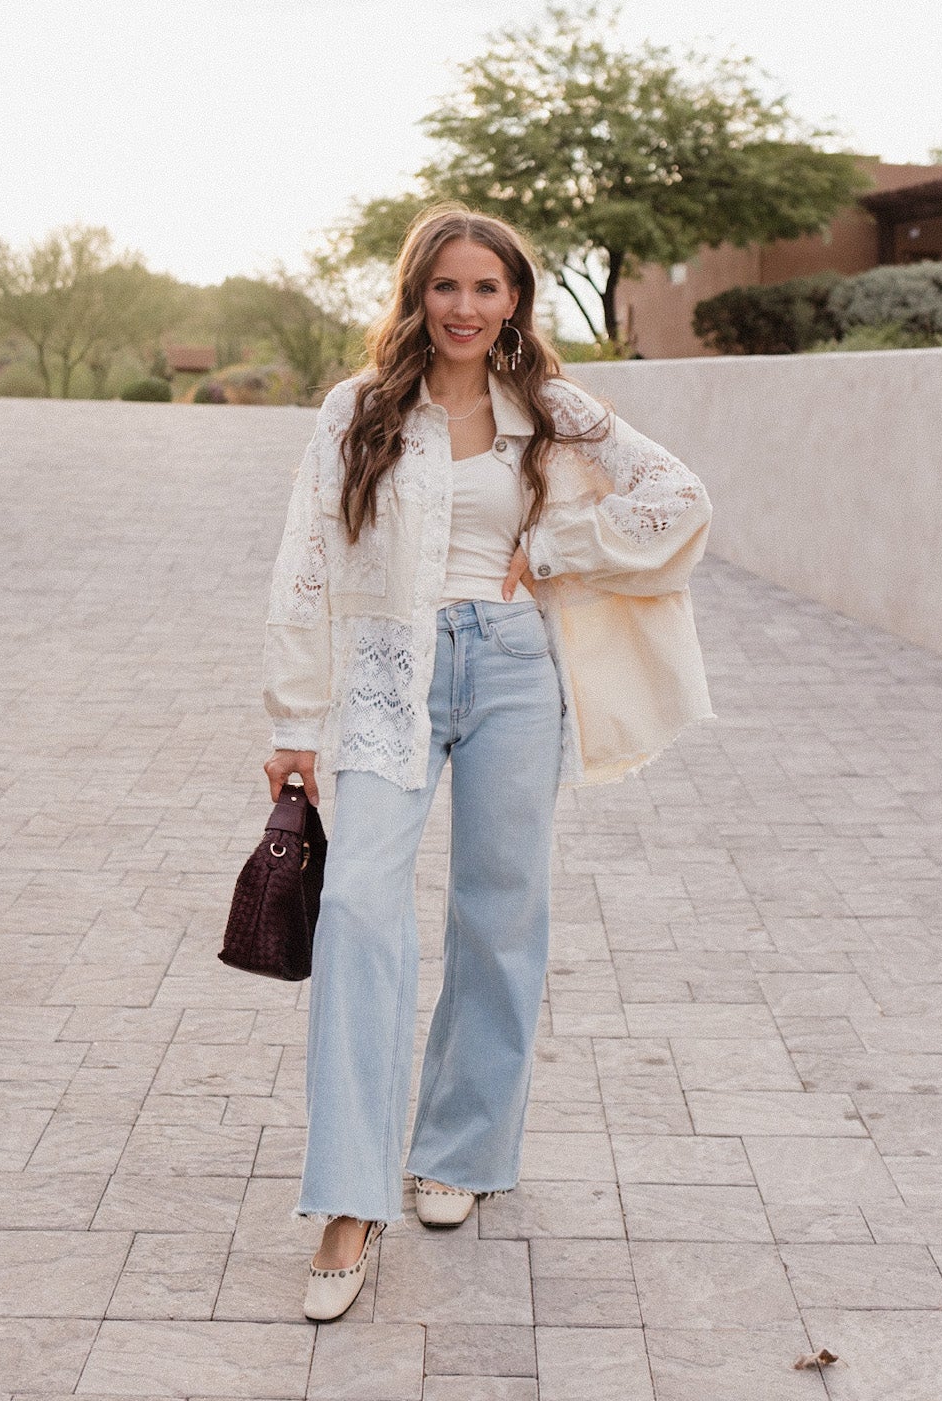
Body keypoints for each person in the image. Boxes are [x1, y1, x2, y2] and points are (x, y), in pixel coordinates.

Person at [261, 206, 713, 1322]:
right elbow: (306, 561)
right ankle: (349, 1200)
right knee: (361, 907)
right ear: (416, 294)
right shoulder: (357, 411)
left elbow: (678, 497)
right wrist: (292, 716)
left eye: (489, 287)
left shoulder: (551, 410)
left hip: (515, 664)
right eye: (447, 286)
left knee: (500, 909)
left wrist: (553, 546)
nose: (466, 307)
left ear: (516, 300)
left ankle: (457, 1152)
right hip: (386, 674)